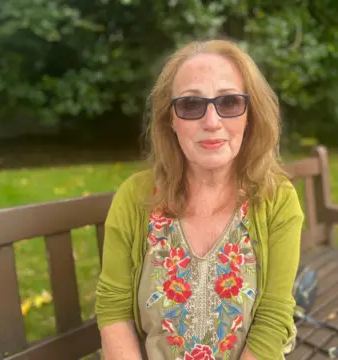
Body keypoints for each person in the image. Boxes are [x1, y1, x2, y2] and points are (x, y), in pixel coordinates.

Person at [95, 39, 304, 360]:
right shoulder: (135, 198)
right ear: (171, 119)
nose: (211, 122)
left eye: (230, 102)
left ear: (250, 115)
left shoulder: (277, 200)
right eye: (191, 105)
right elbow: (114, 308)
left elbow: (274, 317)